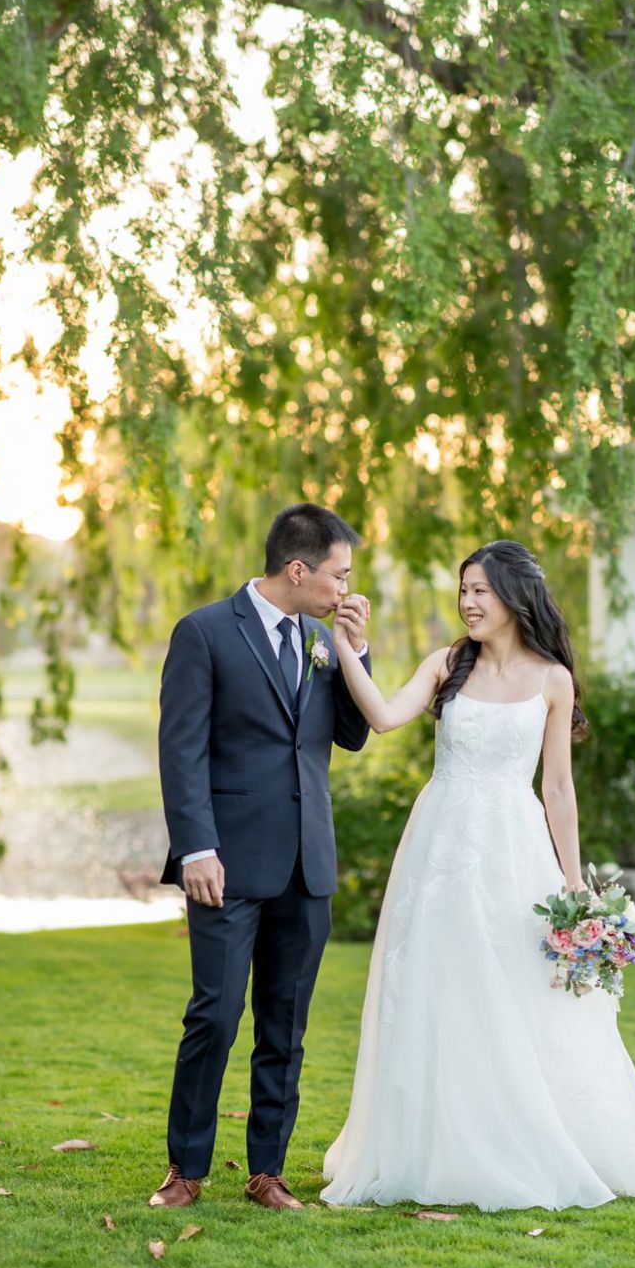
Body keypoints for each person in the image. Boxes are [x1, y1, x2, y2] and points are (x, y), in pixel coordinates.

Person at [317, 539, 635, 1211]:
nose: (467, 602)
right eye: (463, 590)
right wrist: (348, 644)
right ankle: (436, 1140)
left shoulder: (553, 679)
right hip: (440, 845)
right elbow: (382, 717)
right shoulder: (446, 665)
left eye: (480, 591)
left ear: (514, 598)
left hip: (514, 849)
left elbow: (557, 788)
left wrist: (574, 885)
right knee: (438, 985)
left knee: (520, 992)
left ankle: (526, 1132)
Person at [151, 504, 373, 1210]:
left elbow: (350, 736)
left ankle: (266, 1171)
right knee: (214, 1016)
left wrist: (356, 653)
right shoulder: (206, 632)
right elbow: (180, 748)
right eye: (339, 576)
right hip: (225, 863)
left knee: (286, 1022)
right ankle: (186, 1170)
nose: (347, 589)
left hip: (307, 863)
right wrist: (196, 847)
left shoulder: (321, 638)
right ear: (299, 569)